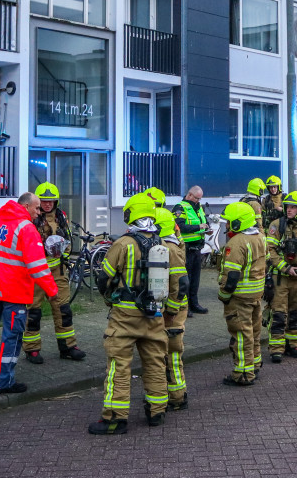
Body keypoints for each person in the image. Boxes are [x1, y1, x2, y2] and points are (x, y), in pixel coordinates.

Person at [0, 193, 58, 394]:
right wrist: (52, 290)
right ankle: (4, 382)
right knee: (12, 336)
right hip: (14, 291)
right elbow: (38, 266)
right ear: (25, 206)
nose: (38, 212)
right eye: (36, 208)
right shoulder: (26, 228)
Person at [90, 193, 170, 434]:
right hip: (154, 314)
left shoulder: (123, 244)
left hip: (125, 315)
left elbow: (104, 277)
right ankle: (157, 412)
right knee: (156, 362)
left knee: (118, 366)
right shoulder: (162, 244)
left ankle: (115, 418)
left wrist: (108, 298)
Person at [24, 182, 86, 364]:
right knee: (33, 312)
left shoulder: (61, 217)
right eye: (44, 201)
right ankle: (32, 349)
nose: (47, 204)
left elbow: (67, 241)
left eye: (51, 201)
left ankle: (68, 346)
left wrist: (63, 253)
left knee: (63, 310)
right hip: (36, 273)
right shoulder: (31, 219)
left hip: (58, 271)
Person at [218, 201, 267, 385]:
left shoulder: (236, 242)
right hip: (256, 294)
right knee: (253, 332)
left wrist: (223, 295)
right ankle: (254, 364)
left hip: (239, 297)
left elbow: (231, 276)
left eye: (229, 222)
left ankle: (243, 374)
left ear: (238, 223)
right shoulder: (261, 237)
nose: (227, 225)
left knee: (241, 335)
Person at [265, 191, 297, 362]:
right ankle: (276, 349)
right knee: (279, 314)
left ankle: (293, 344)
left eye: (293, 207)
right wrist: (286, 268)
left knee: (296, 313)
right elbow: (270, 251)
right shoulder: (276, 225)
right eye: (287, 206)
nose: (289, 210)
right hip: (280, 278)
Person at [156, 207, 190, 410]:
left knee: (172, 354)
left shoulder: (169, 248)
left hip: (173, 311)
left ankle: (177, 397)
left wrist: (170, 311)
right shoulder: (172, 243)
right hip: (172, 308)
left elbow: (180, 283)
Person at [175, 186, 210, 315]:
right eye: (197, 198)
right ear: (190, 195)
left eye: (200, 198)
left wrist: (207, 227)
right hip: (186, 248)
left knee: (195, 279)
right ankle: (185, 307)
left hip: (197, 248)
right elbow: (180, 226)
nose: (198, 201)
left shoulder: (199, 207)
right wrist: (198, 227)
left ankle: (194, 304)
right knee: (186, 279)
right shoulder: (180, 207)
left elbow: (204, 221)